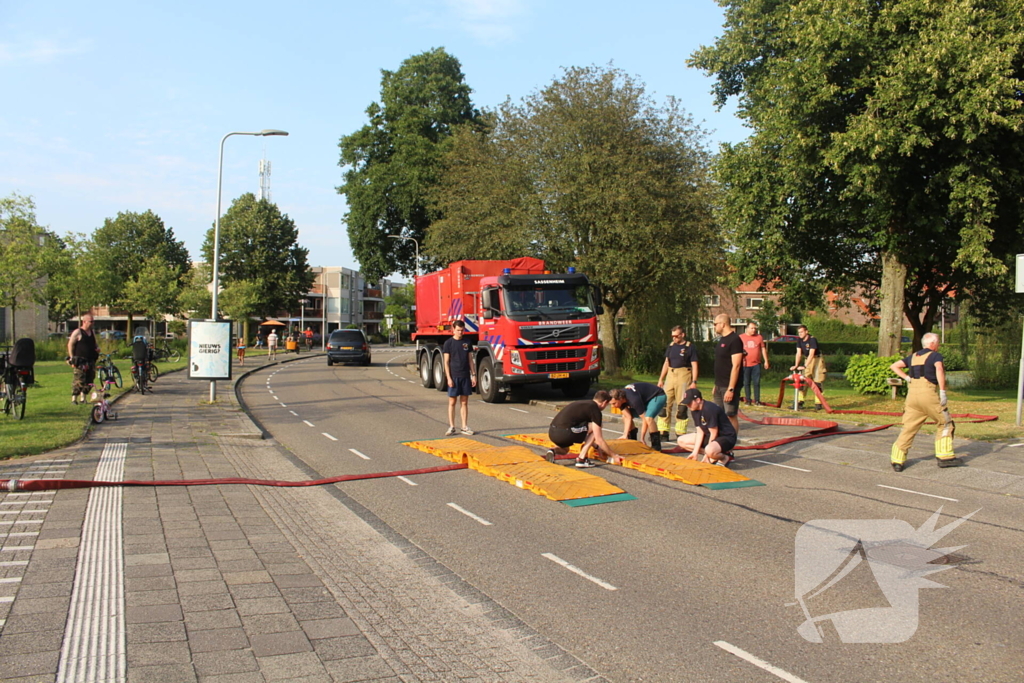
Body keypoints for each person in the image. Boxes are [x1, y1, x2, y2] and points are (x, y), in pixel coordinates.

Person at [888, 333, 959, 471]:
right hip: (928, 394)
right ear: (933, 343)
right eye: (938, 343)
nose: (938, 345)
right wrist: (943, 391)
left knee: (909, 427)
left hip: (912, 395)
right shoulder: (935, 356)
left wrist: (907, 378)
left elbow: (894, 366)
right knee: (945, 423)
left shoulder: (914, 356)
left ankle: (897, 460)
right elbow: (939, 369)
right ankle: (945, 457)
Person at [547, 390, 615, 468]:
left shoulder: (583, 404)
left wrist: (596, 447)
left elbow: (585, 434)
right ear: (604, 402)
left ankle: (552, 451)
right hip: (565, 433)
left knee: (565, 450)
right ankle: (581, 459)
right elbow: (598, 439)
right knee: (596, 426)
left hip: (552, 432)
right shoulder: (595, 409)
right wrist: (614, 455)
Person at [656, 326, 700, 442]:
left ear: (682, 335)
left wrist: (694, 381)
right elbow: (666, 363)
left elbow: (694, 364)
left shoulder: (689, 347)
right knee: (664, 404)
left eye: (676, 336)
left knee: (682, 406)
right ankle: (663, 432)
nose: (674, 338)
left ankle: (680, 433)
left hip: (684, 375)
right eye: (673, 336)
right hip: (671, 374)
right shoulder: (671, 346)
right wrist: (661, 379)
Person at [676, 388, 737, 466]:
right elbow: (700, 432)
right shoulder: (694, 409)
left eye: (689, 403)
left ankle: (725, 457)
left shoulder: (709, 409)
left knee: (709, 450)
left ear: (698, 400)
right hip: (708, 435)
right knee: (681, 441)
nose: (688, 405)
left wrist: (707, 455)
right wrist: (695, 453)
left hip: (725, 437)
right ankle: (713, 454)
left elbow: (714, 433)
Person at [610, 382, 667, 451]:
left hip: (657, 395)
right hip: (644, 399)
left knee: (648, 418)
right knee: (624, 416)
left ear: (621, 399)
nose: (613, 406)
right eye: (611, 404)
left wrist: (642, 438)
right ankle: (633, 441)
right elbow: (628, 417)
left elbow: (644, 420)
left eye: (614, 403)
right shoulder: (620, 400)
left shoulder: (633, 399)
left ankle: (656, 445)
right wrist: (625, 435)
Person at [443, 320, 477, 436]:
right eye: (458, 330)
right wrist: (449, 378)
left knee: (464, 401)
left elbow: (470, 360)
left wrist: (473, 375)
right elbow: (446, 362)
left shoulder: (467, 342)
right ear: (453, 329)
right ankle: (452, 426)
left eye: (462, 330)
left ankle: (464, 426)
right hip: (454, 376)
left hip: (465, 376)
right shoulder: (448, 343)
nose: (460, 332)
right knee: (452, 401)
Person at [712, 313, 744, 434]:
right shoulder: (722, 340)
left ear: (722, 324)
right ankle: (721, 441)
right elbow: (720, 364)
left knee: (730, 415)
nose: (714, 327)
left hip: (728, 385)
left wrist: (731, 388)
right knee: (718, 415)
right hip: (719, 384)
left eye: (715, 324)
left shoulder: (735, 340)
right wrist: (716, 385)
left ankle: (731, 442)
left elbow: (736, 365)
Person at [66, 313, 99, 405]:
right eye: (91, 321)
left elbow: (95, 343)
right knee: (79, 379)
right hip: (80, 361)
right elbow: (70, 344)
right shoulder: (78, 332)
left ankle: (83, 398)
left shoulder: (92, 332)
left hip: (91, 360)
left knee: (89, 379)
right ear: (84, 321)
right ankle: (74, 399)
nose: (92, 323)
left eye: (93, 321)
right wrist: (72, 357)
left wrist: (97, 349)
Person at [792, 325, 826, 410]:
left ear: (806, 331)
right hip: (807, 360)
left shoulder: (812, 340)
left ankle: (818, 403)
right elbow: (798, 353)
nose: (800, 334)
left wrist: (804, 366)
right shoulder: (799, 340)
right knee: (803, 381)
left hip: (817, 359)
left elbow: (812, 354)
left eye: (802, 332)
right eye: (799, 332)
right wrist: (796, 365)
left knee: (817, 382)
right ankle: (800, 402)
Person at [740, 322, 770, 406]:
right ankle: (748, 400)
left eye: (755, 328)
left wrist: (766, 361)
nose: (754, 330)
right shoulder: (741, 337)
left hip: (756, 364)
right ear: (747, 328)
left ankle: (757, 400)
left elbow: (763, 349)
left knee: (756, 382)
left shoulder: (759, 337)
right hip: (745, 364)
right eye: (752, 328)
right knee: (746, 382)